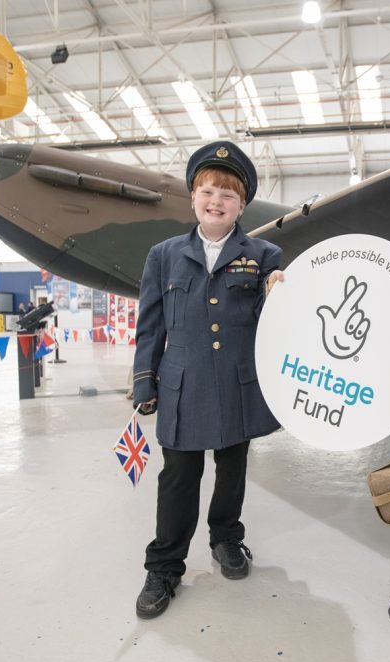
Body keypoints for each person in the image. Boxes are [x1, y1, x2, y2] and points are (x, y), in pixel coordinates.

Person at [131, 141, 283, 620]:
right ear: (193, 197)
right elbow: (151, 324)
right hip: (181, 384)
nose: (217, 200)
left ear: (242, 205)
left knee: (232, 470)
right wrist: (144, 383)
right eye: (208, 190)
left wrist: (278, 293)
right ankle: (164, 567)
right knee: (178, 478)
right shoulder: (163, 255)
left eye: (228, 195)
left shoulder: (263, 254)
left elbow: (273, 324)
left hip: (237, 384)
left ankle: (226, 540)